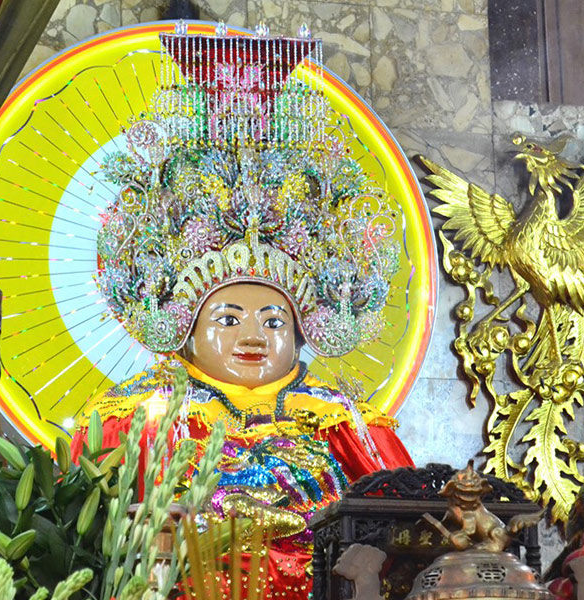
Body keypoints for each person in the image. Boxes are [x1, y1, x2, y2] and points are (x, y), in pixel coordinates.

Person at [69, 28, 413, 596]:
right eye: (227, 319)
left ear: (306, 329)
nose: (254, 335)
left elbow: (408, 534)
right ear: (183, 327)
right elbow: (79, 538)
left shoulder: (346, 426)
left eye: (274, 322)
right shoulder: (137, 421)